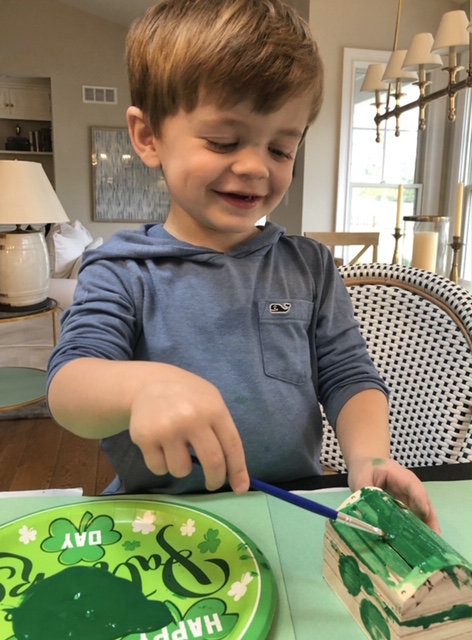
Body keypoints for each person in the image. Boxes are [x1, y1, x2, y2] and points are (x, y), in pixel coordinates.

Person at [47, 0, 440, 532]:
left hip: (292, 508)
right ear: (148, 136)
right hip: (157, 518)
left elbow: (348, 375)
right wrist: (141, 387)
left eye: (281, 149)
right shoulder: (122, 269)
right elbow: (69, 386)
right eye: (223, 141)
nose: (255, 166)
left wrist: (370, 459)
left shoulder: (310, 267)